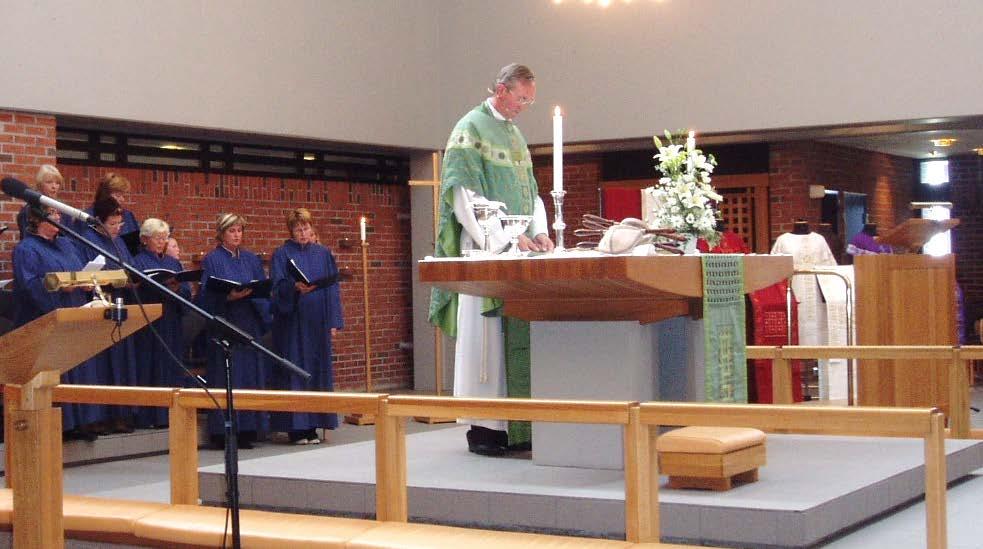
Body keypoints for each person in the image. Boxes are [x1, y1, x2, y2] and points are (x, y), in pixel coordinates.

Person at [428, 63, 554, 456]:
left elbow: (530, 192)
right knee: (486, 346)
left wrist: (539, 231)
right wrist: (506, 234)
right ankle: (485, 429)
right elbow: (465, 195)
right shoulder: (470, 128)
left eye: (529, 101)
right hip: (486, 251)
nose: (524, 108)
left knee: (515, 343)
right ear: (501, 90)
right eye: (521, 99)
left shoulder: (515, 135)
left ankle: (518, 425)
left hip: (519, 253)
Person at [12, 206, 106, 440]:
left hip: (73, 314)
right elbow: (29, 285)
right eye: (52, 214)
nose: (58, 218)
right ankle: (63, 424)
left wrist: (84, 283)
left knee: (79, 368)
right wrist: (61, 287)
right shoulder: (27, 249)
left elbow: (77, 272)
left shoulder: (67, 244)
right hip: (45, 318)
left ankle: (83, 420)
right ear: (36, 219)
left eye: (58, 213)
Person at [269, 208, 344, 445]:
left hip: (317, 322)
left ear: (312, 228)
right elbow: (277, 285)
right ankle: (296, 428)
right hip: (293, 322)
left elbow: (332, 287)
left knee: (317, 371)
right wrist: (293, 288)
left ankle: (314, 424)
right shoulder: (281, 254)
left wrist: (333, 321)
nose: (303, 233)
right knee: (295, 371)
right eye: (298, 229)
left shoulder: (323, 253)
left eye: (306, 228)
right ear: (290, 232)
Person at [198, 213, 269, 449]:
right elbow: (207, 295)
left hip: (248, 320)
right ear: (221, 234)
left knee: (248, 376)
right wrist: (227, 296)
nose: (237, 235)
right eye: (232, 231)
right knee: (226, 376)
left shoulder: (250, 259)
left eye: (239, 231)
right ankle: (223, 432)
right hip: (225, 324)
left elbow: (262, 287)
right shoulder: (212, 259)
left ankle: (248, 430)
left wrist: (256, 294)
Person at [73, 197, 139, 433]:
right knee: (100, 364)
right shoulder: (86, 240)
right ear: (99, 222)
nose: (117, 228)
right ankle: (99, 415)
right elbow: (82, 273)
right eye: (113, 224)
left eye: (120, 224)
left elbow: (130, 268)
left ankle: (120, 413)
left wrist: (134, 278)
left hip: (119, 303)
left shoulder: (119, 242)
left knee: (121, 363)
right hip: (97, 304)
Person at [131, 218, 191, 428]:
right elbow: (135, 292)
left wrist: (177, 288)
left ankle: (173, 412)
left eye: (165, 238)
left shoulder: (172, 263)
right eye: (158, 238)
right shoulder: (137, 261)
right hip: (150, 323)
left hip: (171, 320)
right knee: (151, 367)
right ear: (145, 239)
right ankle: (150, 416)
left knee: (172, 365)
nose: (162, 242)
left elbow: (185, 290)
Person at [16, 164, 63, 239]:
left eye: (57, 183)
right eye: (49, 182)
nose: (54, 186)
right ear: (40, 184)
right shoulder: (29, 210)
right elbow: (27, 239)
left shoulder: (63, 209)